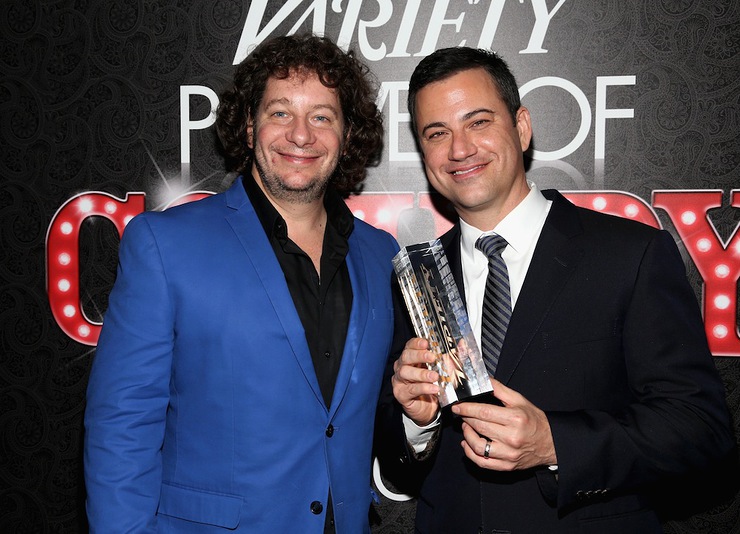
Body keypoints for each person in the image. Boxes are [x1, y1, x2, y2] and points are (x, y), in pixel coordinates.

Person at [375, 46, 735, 533]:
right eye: (437, 133)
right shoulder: (413, 279)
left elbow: (702, 432)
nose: (459, 148)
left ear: (522, 128)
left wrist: (554, 443)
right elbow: (399, 473)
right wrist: (418, 425)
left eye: (479, 122)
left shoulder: (631, 254)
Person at [84, 34, 399, 533]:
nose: (301, 135)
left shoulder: (382, 255)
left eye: (322, 116)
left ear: (347, 133)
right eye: (280, 113)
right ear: (249, 126)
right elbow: (122, 424)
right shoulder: (165, 244)